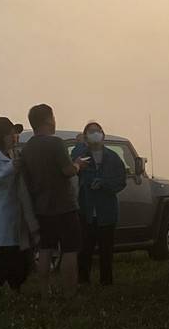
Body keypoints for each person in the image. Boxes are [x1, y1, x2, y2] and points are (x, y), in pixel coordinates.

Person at [19, 103, 89, 298]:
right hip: (64, 206)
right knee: (70, 249)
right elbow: (67, 171)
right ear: (49, 120)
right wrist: (78, 165)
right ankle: (70, 292)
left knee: (45, 249)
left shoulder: (27, 149)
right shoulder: (56, 143)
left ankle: (44, 292)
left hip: (41, 207)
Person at [0, 117, 35, 296]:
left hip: (17, 210)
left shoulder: (15, 154)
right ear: (3, 136)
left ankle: (16, 287)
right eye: (11, 133)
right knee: (3, 254)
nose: (15, 137)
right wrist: (12, 167)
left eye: (16, 133)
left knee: (20, 254)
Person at [73, 121, 127, 287]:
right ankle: (83, 281)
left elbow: (121, 181)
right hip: (86, 210)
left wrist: (104, 183)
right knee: (85, 250)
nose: (95, 133)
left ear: (103, 134)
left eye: (98, 131)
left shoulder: (113, 157)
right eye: (91, 131)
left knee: (106, 250)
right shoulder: (82, 156)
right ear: (85, 136)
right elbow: (71, 165)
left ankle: (106, 282)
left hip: (107, 212)